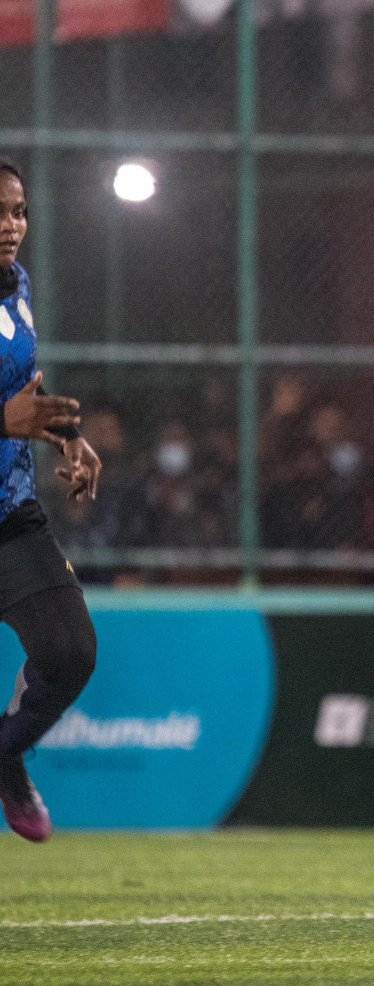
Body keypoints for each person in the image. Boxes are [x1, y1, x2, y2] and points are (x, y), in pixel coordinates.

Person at [0, 159, 104, 844]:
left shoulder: (19, 288)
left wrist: (67, 436)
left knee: (72, 655)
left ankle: (5, 756)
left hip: (10, 511)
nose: (11, 227)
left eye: (19, 212)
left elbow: (22, 386)